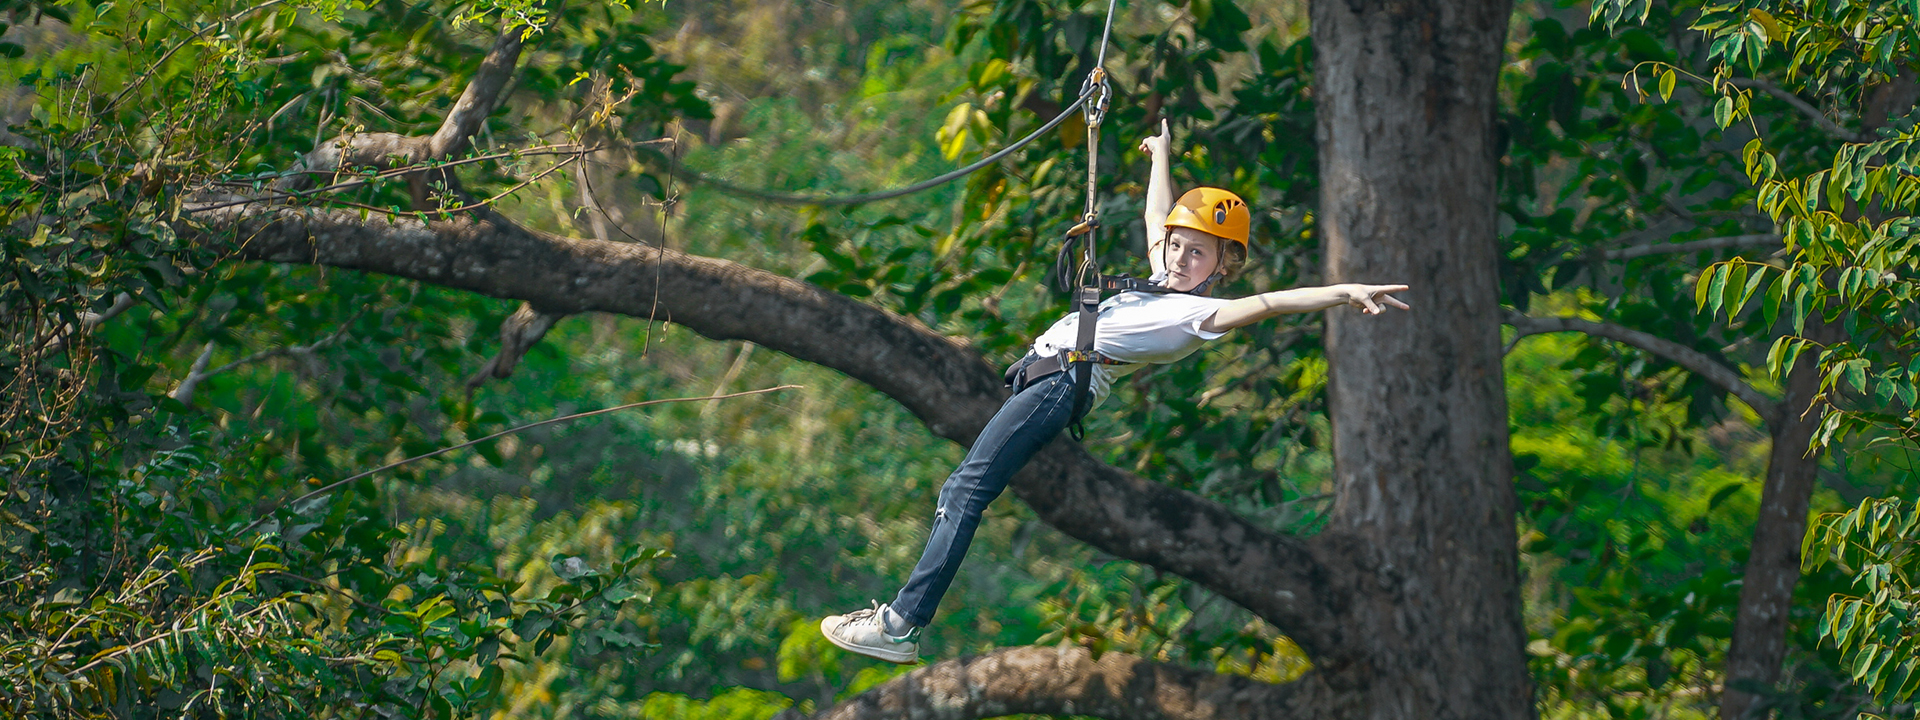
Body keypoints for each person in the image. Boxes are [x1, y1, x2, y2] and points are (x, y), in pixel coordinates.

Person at [819, 122, 1410, 663]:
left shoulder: (1197, 314)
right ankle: (901, 621)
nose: (1180, 257)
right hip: (1048, 380)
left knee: (965, 490)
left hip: (1061, 385)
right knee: (964, 488)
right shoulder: (1160, 281)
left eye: (1197, 252)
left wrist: (1343, 291)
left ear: (1223, 265)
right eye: (1178, 245)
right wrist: (1162, 158)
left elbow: (1269, 302)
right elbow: (1158, 217)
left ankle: (900, 624)